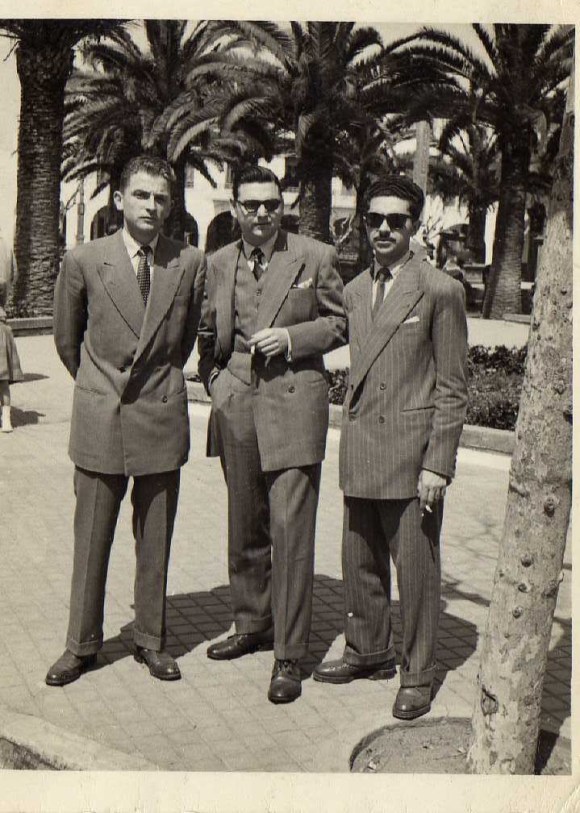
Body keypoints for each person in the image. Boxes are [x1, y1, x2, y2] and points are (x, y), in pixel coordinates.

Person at [46, 156, 206, 686]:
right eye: (141, 195)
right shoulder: (84, 259)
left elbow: (184, 339)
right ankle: (81, 644)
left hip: (160, 415)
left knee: (155, 540)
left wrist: (156, 383)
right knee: (91, 539)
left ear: (171, 204)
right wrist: (99, 387)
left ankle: (151, 639)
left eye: (161, 198)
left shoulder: (188, 262)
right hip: (102, 418)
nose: (151, 206)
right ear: (119, 199)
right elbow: (67, 340)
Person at [313, 176, 468, 721]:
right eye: (374, 219)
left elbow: (452, 387)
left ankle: (418, 673)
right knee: (359, 561)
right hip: (362, 446)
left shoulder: (439, 290)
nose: (383, 229)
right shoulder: (355, 290)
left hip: (412, 456)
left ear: (414, 225)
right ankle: (367, 648)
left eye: (395, 220)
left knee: (417, 573)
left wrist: (438, 465)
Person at [198, 165, 346, 704]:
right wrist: (215, 382)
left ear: (283, 206)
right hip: (236, 406)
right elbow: (208, 332)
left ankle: (289, 653)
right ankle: (251, 623)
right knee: (244, 526)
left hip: (294, 405)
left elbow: (340, 323)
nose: (262, 214)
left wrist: (291, 338)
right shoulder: (219, 262)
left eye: (271, 204)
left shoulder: (314, 256)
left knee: (290, 533)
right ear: (235, 208)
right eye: (251, 204)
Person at [0, 232, 23, 433]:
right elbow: (14, 276)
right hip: (2, 319)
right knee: (3, 378)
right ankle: (6, 419)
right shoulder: (7, 247)